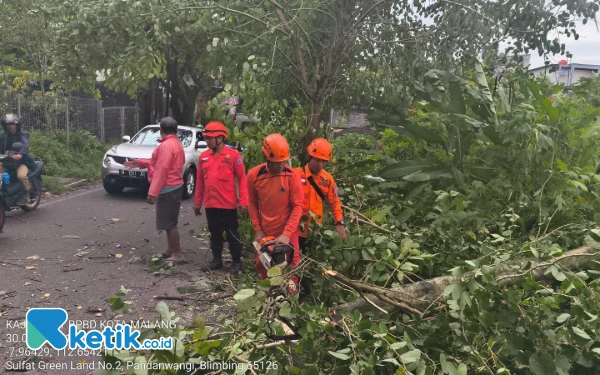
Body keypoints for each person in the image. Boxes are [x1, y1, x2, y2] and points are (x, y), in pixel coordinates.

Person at [247, 134, 304, 294]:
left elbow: (298, 206)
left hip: (288, 232)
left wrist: (287, 233)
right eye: (277, 163)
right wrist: (258, 229)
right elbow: (251, 202)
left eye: (283, 162)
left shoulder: (292, 176)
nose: (281, 166)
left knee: (291, 269)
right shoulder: (254, 175)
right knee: (263, 267)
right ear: (266, 156)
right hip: (266, 231)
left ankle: (290, 303)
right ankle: (268, 303)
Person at [124, 117, 185, 263]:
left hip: (168, 188)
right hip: (174, 185)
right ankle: (171, 250)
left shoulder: (166, 146)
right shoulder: (175, 144)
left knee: (169, 224)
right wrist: (139, 162)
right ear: (175, 130)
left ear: (161, 130)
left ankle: (178, 254)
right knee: (168, 222)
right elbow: (159, 163)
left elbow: (161, 170)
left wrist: (152, 193)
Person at [193, 121, 248, 273]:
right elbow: (199, 182)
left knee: (232, 235)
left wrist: (243, 201)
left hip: (228, 205)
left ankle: (236, 262)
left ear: (220, 138)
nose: (207, 141)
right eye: (206, 138)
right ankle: (217, 261)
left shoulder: (233, 156)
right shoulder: (203, 157)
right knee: (214, 234)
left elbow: (243, 179)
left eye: (210, 138)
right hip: (211, 204)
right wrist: (197, 203)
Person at [295, 138, 346, 253]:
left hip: (314, 231)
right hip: (295, 230)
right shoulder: (296, 175)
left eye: (323, 161)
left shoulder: (328, 179)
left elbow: (334, 202)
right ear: (310, 157)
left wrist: (339, 222)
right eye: (317, 160)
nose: (320, 164)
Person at [0, 114, 31, 205]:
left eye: (12, 124)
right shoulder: (3, 135)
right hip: (7, 161)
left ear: (17, 125)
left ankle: (26, 194)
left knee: (21, 176)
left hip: (20, 162)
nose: (10, 127)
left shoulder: (22, 134)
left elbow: (25, 145)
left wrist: (20, 154)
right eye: (8, 124)